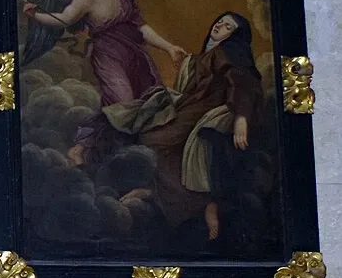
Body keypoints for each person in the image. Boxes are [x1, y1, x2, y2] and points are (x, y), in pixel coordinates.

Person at [102, 12, 265, 243]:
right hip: (189, 107)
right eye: (220, 20)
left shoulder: (229, 54)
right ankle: (160, 194)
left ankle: (201, 204)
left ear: (234, 36)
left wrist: (241, 117)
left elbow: (243, 82)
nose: (220, 25)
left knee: (153, 140)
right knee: (144, 130)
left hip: (204, 110)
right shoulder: (208, 54)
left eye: (228, 26)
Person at [22, 0, 186, 164]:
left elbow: (141, 28)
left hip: (136, 55)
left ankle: (129, 155)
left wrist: (169, 47)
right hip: (108, 55)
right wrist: (36, 15)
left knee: (146, 101)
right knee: (122, 102)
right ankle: (80, 147)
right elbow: (64, 19)